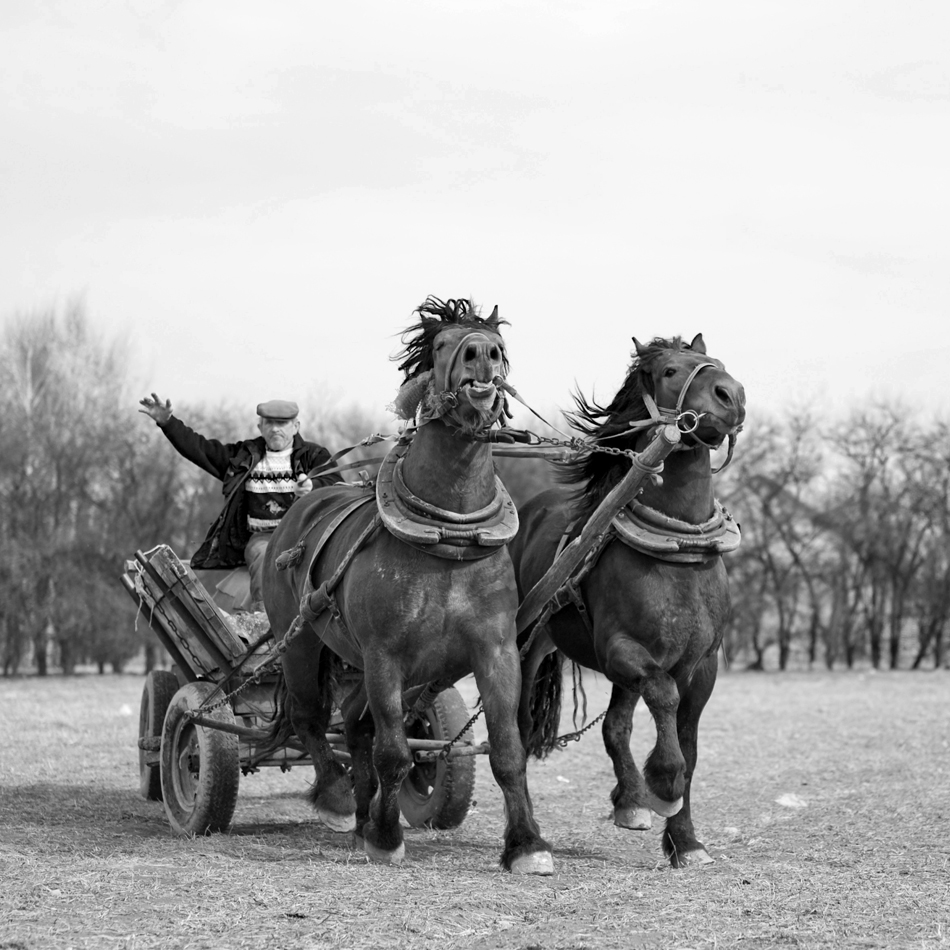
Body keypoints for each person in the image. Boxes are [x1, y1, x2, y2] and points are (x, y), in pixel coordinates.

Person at [139, 394, 341, 611]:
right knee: (267, 555)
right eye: (269, 423)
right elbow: (201, 449)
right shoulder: (243, 457)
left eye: (282, 423)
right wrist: (168, 423)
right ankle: (265, 620)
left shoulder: (315, 455)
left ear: (296, 426)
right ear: (260, 427)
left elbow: (337, 485)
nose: (275, 429)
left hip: (305, 534)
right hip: (263, 538)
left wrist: (313, 486)